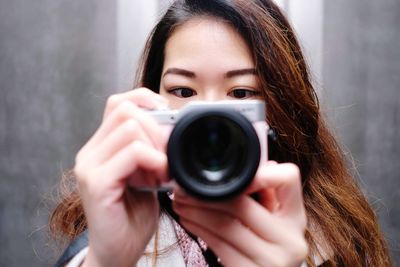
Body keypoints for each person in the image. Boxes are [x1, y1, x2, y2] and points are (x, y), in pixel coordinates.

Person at [49, 0, 392, 266]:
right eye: (183, 92)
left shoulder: (339, 238)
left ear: (281, 108)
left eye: (241, 94)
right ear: (151, 103)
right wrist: (106, 260)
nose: (209, 117)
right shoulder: (120, 219)